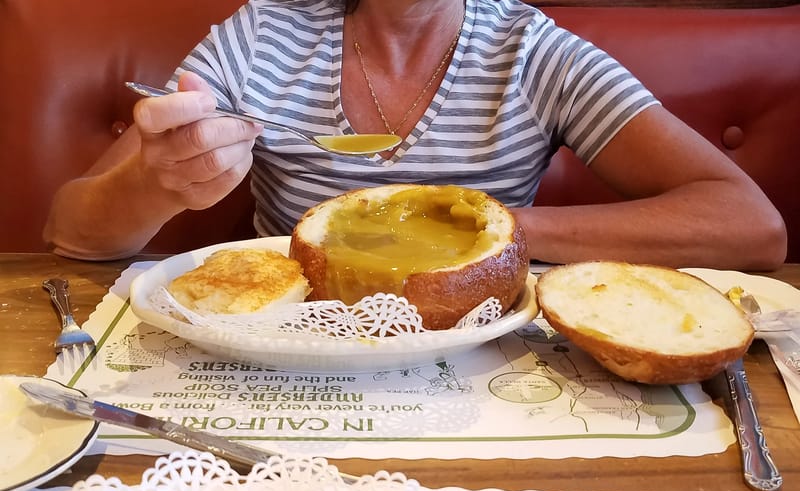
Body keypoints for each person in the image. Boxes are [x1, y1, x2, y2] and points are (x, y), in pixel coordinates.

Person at [44, 0, 787, 269]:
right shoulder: (262, 35)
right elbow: (73, 232)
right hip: (286, 342)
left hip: (487, 352)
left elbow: (750, 226)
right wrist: (158, 182)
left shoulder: (532, 50)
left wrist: (494, 228)